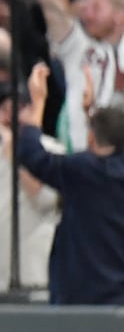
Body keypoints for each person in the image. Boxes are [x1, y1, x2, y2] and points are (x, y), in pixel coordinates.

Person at [15, 63, 124, 306]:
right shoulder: (91, 171)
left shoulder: (85, 172)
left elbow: (31, 154)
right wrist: (91, 115)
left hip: (81, 299)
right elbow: (101, 152)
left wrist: (39, 103)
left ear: (91, 137)